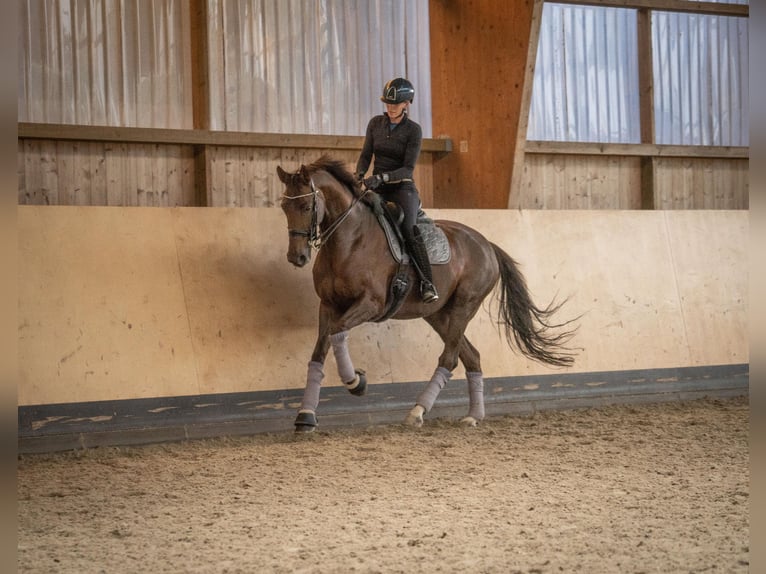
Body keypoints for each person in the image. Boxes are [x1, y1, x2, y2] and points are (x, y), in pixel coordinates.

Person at [355, 77, 439, 303]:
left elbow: (408, 169)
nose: (391, 108)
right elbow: (366, 155)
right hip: (376, 186)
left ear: (406, 104)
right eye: (388, 104)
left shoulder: (414, 130)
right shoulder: (375, 124)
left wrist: (382, 177)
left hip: (402, 188)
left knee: (409, 229)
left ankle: (427, 282)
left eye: (396, 104)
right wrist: (359, 175)